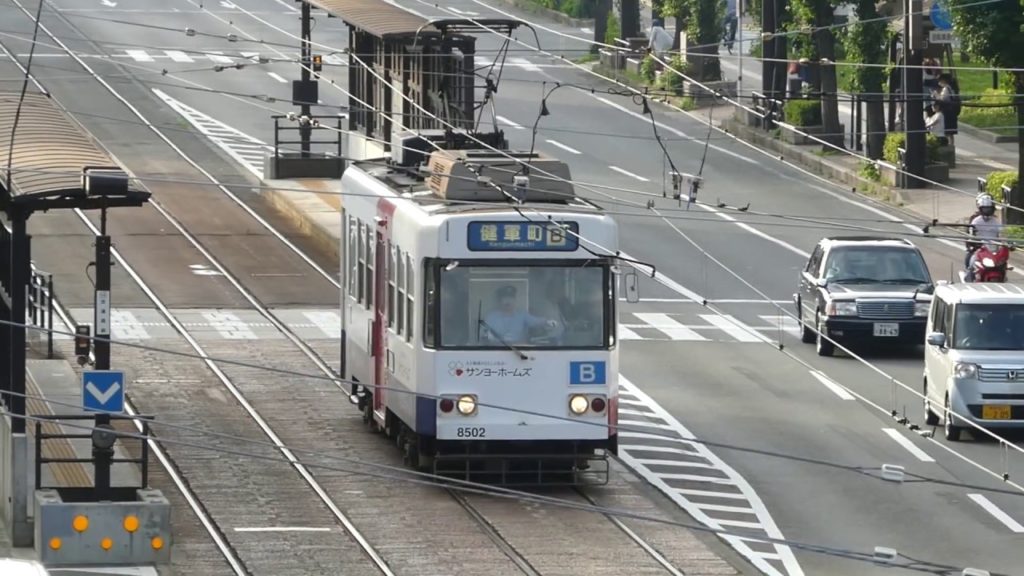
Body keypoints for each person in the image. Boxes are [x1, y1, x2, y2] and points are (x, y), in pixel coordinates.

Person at [480, 285, 558, 344]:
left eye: (510, 298)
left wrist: (548, 322)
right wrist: (490, 337)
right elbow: (483, 335)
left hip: (518, 353)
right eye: (505, 298)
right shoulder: (491, 317)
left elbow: (536, 321)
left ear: (514, 300)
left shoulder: (522, 315)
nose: (508, 301)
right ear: (499, 301)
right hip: (495, 353)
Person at [965, 193, 1001, 280]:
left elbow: (1002, 235)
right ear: (980, 209)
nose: (987, 211)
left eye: (989, 208)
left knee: (1002, 264)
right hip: (980, 251)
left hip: (993, 251)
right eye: (985, 209)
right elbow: (970, 236)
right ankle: (970, 280)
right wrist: (973, 245)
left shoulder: (996, 222)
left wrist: (1007, 244)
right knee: (971, 262)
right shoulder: (975, 222)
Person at [932, 74, 960, 145]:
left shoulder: (946, 89)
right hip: (952, 111)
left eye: (940, 81)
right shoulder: (952, 88)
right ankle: (951, 145)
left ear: (944, 80)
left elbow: (943, 99)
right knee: (950, 132)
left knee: (947, 130)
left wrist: (936, 95)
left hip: (948, 112)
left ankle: (948, 145)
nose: (939, 82)